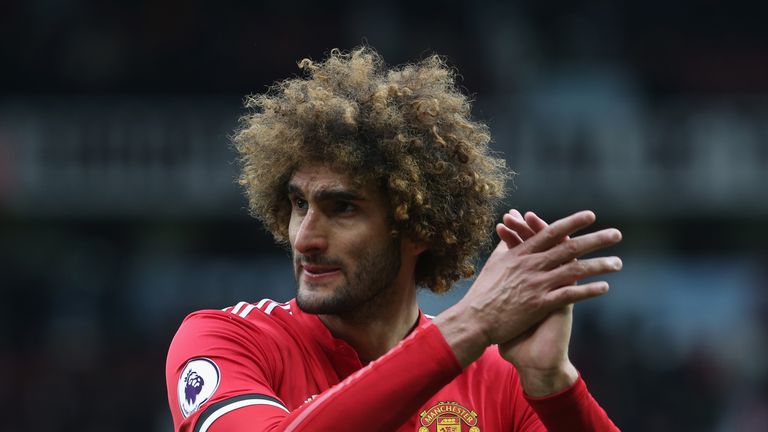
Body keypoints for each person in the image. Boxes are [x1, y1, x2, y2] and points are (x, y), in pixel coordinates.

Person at [165, 47, 624, 431]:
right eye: (299, 204)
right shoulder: (226, 340)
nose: (305, 239)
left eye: (342, 209)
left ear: (418, 227)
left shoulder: (500, 383)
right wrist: (474, 323)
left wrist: (554, 385)